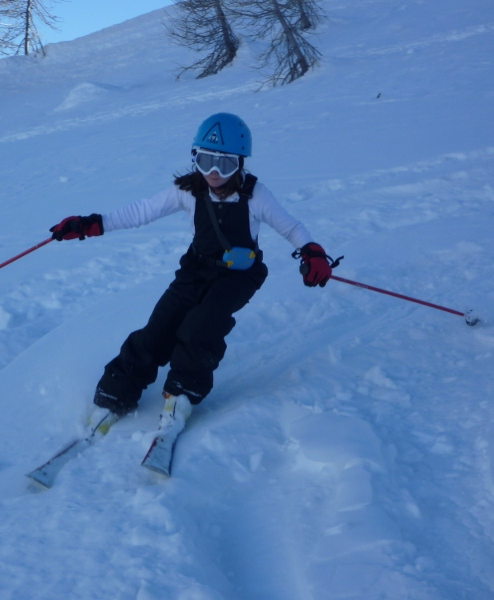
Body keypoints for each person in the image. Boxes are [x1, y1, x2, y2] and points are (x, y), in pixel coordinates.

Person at [49, 113, 336, 435]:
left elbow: (292, 227)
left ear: (240, 163)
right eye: (205, 160)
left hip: (239, 275)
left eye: (224, 164)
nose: (214, 172)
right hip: (196, 269)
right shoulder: (186, 190)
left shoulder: (255, 195)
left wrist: (313, 252)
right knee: (160, 326)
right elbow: (141, 211)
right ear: (194, 158)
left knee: (202, 325)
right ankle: (117, 390)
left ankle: (182, 392)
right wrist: (92, 224)